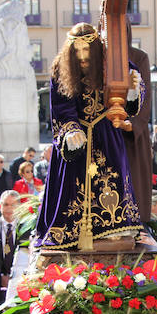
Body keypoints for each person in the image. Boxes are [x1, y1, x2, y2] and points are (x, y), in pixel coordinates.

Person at [35, 23, 143, 250]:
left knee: (111, 181)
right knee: (72, 188)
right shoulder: (59, 69)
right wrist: (71, 130)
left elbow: (130, 106)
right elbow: (61, 108)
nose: (82, 57)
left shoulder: (114, 64)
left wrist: (133, 89)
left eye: (87, 51)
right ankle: (70, 233)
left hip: (107, 137)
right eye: (77, 51)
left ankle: (116, 229)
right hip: (76, 140)